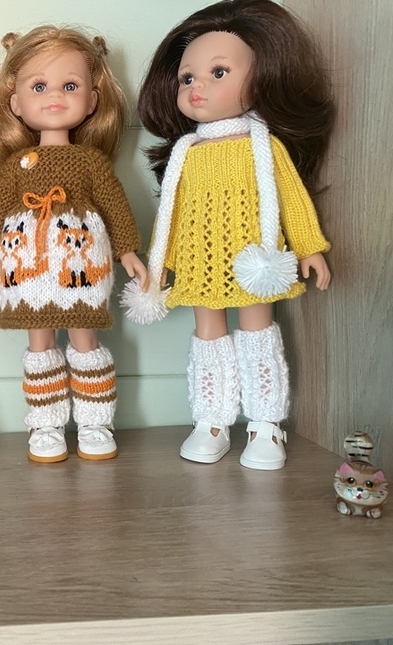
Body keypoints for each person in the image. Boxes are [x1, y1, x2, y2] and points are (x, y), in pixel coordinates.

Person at [122, 0, 335, 470]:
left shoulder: (264, 146)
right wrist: (162, 264)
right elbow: (173, 213)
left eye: (218, 72)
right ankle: (211, 421)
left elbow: (291, 198)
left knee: (258, 331)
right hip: (199, 260)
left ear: (263, 78)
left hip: (253, 259)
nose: (197, 86)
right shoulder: (186, 153)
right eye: (187, 77)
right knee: (208, 335)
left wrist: (309, 247)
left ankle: (266, 423)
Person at [0, 26, 147, 463]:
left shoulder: (90, 162)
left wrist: (127, 250)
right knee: (40, 343)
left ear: (92, 101)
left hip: (80, 263)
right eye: (39, 86)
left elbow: (113, 203)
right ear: (16, 103)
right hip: (26, 265)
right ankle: (46, 424)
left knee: (84, 338)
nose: (55, 95)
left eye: (70, 86)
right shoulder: (17, 165)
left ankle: (95, 421)